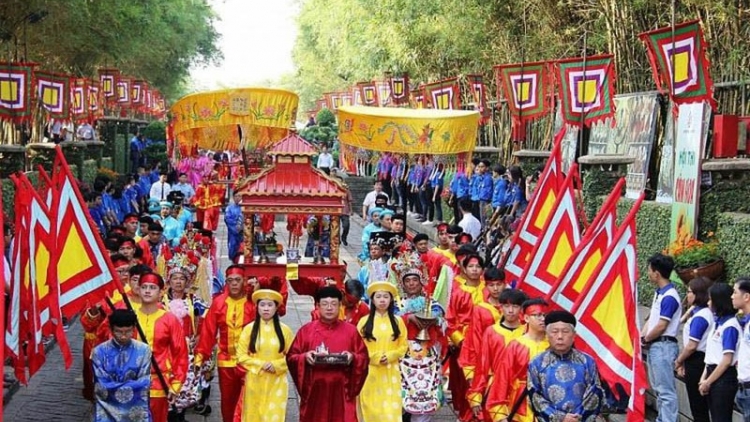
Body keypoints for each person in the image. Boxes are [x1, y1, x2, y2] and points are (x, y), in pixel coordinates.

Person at [287, 286, 370, 422]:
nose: (329, 308)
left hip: (342, 391)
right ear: (318, 306)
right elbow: (291, 357)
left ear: (340, 306)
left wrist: (352, 358)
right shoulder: (306, 331)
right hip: (315, 390)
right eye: (325, 304)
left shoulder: (351, 331)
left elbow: (364, 357)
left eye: (334, 304)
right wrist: (304, 357)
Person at [195, 265, 256, 422]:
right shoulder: (219, 302)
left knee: (250, 400)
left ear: (244, 281)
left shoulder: (253, 302)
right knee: (228, 401)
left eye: (238, 280)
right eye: (230, 280)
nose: (234, 284)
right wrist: (200, 356)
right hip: (226, 361)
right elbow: (208, 331)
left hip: (250, 361)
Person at [527, 310, 604, 421]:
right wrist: (560, 418)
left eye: (565, 331)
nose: (560, 336)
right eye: (554, 331)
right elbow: (534, 397)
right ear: (547, 335)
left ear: (574, 335)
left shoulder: (587, 361)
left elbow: (594, 393)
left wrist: (577, 417)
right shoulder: (537, 363)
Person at [134, 272, 188, 422]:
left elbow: (180, 354)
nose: (147, 291)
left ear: (161, 292)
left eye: (152, 287)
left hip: (158, 383)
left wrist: (175, 385)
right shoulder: (131, 317)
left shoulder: (169, 319)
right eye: (144, 287)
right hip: (131, 382)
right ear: (138, 290)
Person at [486, 298, 552, 422]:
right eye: (537, 315)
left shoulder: (553, 345)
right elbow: (503, 378)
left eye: (545, 315)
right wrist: (500, 414)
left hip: (550, 406)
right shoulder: (516, 345)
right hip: (520, 405)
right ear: (526, 318)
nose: (542, 319)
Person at [236, 286, 294, 422]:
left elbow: (293, 357)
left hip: (277, 380)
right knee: (253, 416)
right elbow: (241, 356)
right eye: (262, 305)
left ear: (276, 308)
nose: (266, 308)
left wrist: (277, 365)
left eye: (270, 305)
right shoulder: (249, 329)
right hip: (255, 379)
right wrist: (261, 364)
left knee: (273, 417)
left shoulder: (285, 330)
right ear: (257, 307)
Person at [468, 289, 527, 420]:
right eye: (506, 306)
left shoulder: (527, 332)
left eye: (515, 306)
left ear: (522, 309)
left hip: (519, 390)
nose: (510, 311)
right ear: (501, 307)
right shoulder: (491, 332)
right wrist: (476, 394)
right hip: (496, 387)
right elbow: (483, 364)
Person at [357, 281, 408, 422]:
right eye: (378, 296)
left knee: (390, 410)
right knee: (370, 408)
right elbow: (357, 347)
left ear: (391, 300)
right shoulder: (363, 322)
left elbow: (403, 346)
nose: (382, 300)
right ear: (372, 300)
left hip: (391, 370)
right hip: (370, 371)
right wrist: (374, 357)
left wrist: (391, 356)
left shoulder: (398, 322)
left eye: (386, 296)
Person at [91, 309, 152, 422]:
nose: (123, 336)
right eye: (119, 332)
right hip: (107, 409)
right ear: (111, 329)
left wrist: (116, 387)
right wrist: (131, 386)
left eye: (128, 331)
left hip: (136, 409)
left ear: (134, 328)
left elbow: (144, 382)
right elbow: (100, 385)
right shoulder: (99, 352)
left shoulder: (144, 350)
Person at [642, 253, 681, 422]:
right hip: (656, 346)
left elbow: (661, 325)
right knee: (659, 388)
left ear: (657, 273)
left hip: (663, 346)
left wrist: (646, 338)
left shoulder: (670, 296)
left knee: (665, 391)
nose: (648, 274)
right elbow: (652, 320)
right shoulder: (660, 293)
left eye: (649, 270)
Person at [700, 282, 741, 421]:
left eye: (711, 299)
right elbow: (711, 355)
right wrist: (703, 378)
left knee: (721, 417)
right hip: (712, 373)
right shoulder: (718, 323)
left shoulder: (730, 326)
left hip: (724, 378)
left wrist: (708, 382)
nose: (708, 302)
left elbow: (726, 360)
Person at [674, 277, 713, 422]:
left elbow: (691, 346)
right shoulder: (701, 313)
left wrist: (679, 361)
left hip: (697, 361)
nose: (687, 295)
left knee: (698, 406)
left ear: (698, 294)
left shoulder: (701, 317)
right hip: (698, 360)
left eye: (689, 292)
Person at [458, 267, 506, 386]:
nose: (495, 289)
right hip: (486, 361)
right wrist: (472, 370)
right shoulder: (480, 309)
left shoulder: (512, 308)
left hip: (508, 362)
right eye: (491, 285)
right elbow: (473, 340)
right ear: (485, 285)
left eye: (499, 284)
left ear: (505, 284)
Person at [732, 277, 750, 420]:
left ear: (746, 297)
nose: (732, 296)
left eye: (735, 292)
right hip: (743, 388)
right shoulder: (745, 322)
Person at [225, 192, 243, 262]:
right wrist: (237, 227)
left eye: (239, 196)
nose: (237, 198)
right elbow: (228, 219)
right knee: (233, 249)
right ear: (233, 197)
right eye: (236, 196)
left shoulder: (245, 207)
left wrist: (242, 227)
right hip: (233, 234)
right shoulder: (229, 208)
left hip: (244, 234)